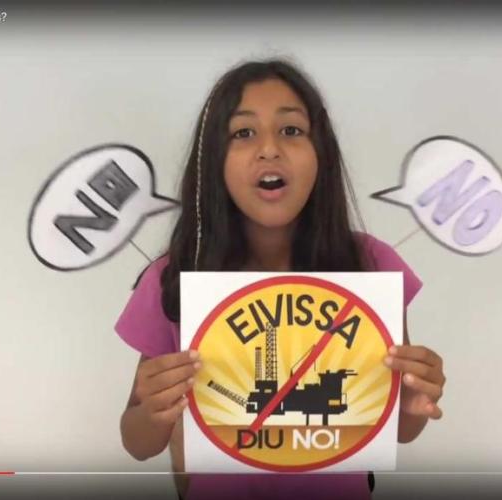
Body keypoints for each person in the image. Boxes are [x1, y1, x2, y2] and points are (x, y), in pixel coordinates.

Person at [115, 59, 446, 500]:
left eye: (291, 130)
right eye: (243, 132)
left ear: (320, 153)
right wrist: (154, 412)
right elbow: (137, 442)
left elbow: (401, 428)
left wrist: (416, 399)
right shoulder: (173, 276)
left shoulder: (371, 264)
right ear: (214, 160)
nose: (269, 149)